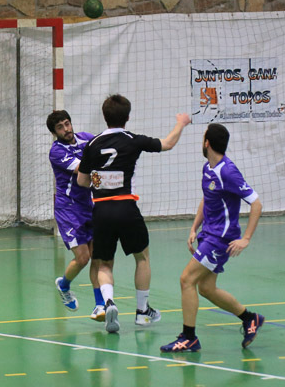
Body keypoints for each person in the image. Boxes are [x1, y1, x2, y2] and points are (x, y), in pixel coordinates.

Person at [77, 94, 191, 333]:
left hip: (101, 211)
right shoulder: (133, 140)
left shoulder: (92, 144)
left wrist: (100, 179)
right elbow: (167, 143)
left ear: (104, 116)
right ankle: (142, 312)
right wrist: (181, 123)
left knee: (104, 264)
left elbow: (82, 181)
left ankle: (109, 302)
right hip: (127, 208)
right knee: (142, 258)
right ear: (127, 117)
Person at [160, 123, 265, 352]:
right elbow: (207, 198)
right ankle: (250, 318)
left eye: (203, 138)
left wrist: (246, 238)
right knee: (206, 288)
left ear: (207, 142)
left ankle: (189, 337)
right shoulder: (208, 168)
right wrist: (194, 228)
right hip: (208, 234)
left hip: (220, 239)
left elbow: (256, 203)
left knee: (186, 279)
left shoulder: (228, 172)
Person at [46, 110, 105, 320]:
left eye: (67, 123)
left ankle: (100, 306)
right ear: (55, 133)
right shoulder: (57, 152)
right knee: (83, 258)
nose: (66, 129)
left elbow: (105, 149)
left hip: (90, 206)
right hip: (69, 209)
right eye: (60, 127)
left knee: (97, 257)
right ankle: (64, 285)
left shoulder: (86, 138)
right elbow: (83, 169)